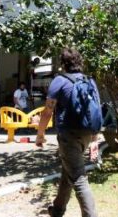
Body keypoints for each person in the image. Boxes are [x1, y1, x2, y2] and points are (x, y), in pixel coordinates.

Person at [36, 48, 100, 217]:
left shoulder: (59, 81)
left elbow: (48, 111)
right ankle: (57, 210)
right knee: (68, 171)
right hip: (87, 133)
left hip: (69, 135)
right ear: (80, 62)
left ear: (62, 64)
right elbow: (96, 109)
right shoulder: (90, 81)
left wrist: (40, 134)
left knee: (78, 177)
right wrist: (94, 138)